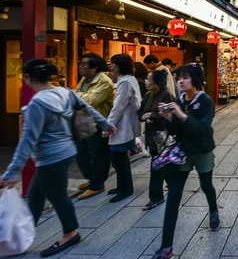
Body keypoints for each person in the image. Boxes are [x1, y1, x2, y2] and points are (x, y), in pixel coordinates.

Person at [0, 59, 115, 257]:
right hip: (66, 151)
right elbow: (89, 109)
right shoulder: (65, 92)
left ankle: (70, 233)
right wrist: (105, 124)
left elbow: (28, 139)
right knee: (36, 196)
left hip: (50, 157)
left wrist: (12, 172)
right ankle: (22, 236)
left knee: (58, 196)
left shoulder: (37, 103)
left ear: (27, 78)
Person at [154, 64, 220, 259]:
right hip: (182, 152)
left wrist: (181, 114)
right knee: (173, 198)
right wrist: (167, 117)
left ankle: (213, 210)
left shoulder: (205, 101)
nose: (180, 81)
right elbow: (176, 130)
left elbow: (202, 128)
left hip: (202, 151)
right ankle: (166, 247)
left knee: (206, 185)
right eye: (178, 77)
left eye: (185, 77)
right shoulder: (179, 100)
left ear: (196, 80)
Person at [75, 53, 115, 200]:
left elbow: (91, 100)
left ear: (94, 67)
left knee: (98, 155)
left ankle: (97, 184)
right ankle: (92, 179)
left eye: (84, 64)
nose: (80, 66)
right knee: (82, 153)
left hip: (99, 123)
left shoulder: (104, 81)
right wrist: (78, 94)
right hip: (84, 121)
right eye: (81, 63)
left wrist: (76, 94)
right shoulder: (85, 79)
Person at [107, 54, 143, 203]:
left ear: (120, 65)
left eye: (113, 63)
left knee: (119, 159)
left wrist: (108, 125)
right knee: (119, 159)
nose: (110, 66)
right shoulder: (128, 79)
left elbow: (119, 107)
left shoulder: (125, 81)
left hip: (123, 125)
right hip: (125, 124)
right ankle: (122, 186)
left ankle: (126, 189)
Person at [138, 70, 176, 211]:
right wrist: (144, 117)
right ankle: (173, 185)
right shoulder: (148, 95)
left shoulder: (167, 96)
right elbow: (140, 111)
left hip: (164, 137)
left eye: (149, 79)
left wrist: (152, 115)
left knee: (156, 166)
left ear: (156, 82)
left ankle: (155, 197)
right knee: (162, 164)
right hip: (151, 136)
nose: (146, 81)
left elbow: (173, 114)